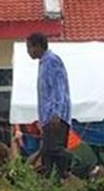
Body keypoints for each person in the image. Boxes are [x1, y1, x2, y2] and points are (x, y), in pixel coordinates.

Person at [26, 32, 72, 178]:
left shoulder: (52, 61)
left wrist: (56, 113)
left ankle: (78, 163)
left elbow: (58, 88)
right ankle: (55, 182)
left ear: (38, 46)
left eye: (29, 47)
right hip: (47, 118)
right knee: (48, 159)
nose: (28, 51)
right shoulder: (42, 63)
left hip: (55, 117)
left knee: (52, 149)